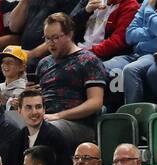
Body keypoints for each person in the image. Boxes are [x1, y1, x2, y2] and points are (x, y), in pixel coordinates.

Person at [34, 13, 108, 146]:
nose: (51, 43)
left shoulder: (88, 60)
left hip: (78, 124)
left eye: (55, 38)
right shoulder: (43, 64)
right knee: (11, 127)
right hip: (46, 119)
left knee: (46, 130)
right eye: (47, 38)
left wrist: (59, 115)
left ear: (69, 34)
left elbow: (96, 102)